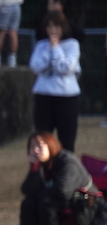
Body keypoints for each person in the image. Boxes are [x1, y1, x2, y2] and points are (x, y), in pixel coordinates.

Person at [19, 131, 103, 225]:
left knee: (46, 205)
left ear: (50, 145)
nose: (35, 150)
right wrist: (34, 168)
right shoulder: (41, 164)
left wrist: (40, 194)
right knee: (28, 204)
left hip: (85, 205)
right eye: (32, 147)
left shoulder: (68, 161)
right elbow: (27, 191)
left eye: (40, 146)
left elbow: (63, 191)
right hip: (59, 203)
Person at [29, 9, 80, 152]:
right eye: (49, 26)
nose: (53, 30)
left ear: (63, 27)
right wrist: (49, 51)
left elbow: (65, 67)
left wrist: (56, 49)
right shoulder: (41, 45)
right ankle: (43, 172)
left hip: (66, 97)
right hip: (43, 97)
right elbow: (35, 66)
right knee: (42, 139)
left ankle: (66, 172)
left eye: (56, 26)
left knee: (67, 141)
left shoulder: (72, 45)